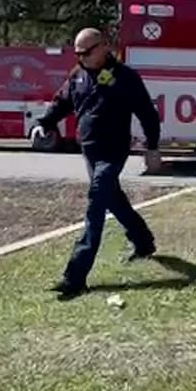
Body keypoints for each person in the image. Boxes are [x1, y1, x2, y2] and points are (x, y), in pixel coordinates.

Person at [31, 28, 163, 298]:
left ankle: (75, 277)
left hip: (113, 150)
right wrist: (43, 122)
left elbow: (147, 113)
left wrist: (152, 147)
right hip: (90, 150)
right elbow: (62, 102)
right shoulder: (77, 75)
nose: (81, 58)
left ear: (104, 47)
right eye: (77, 53)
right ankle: (143, 241)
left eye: (86, 52)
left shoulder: (126, 77)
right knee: (112, 198)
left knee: (96, 203)